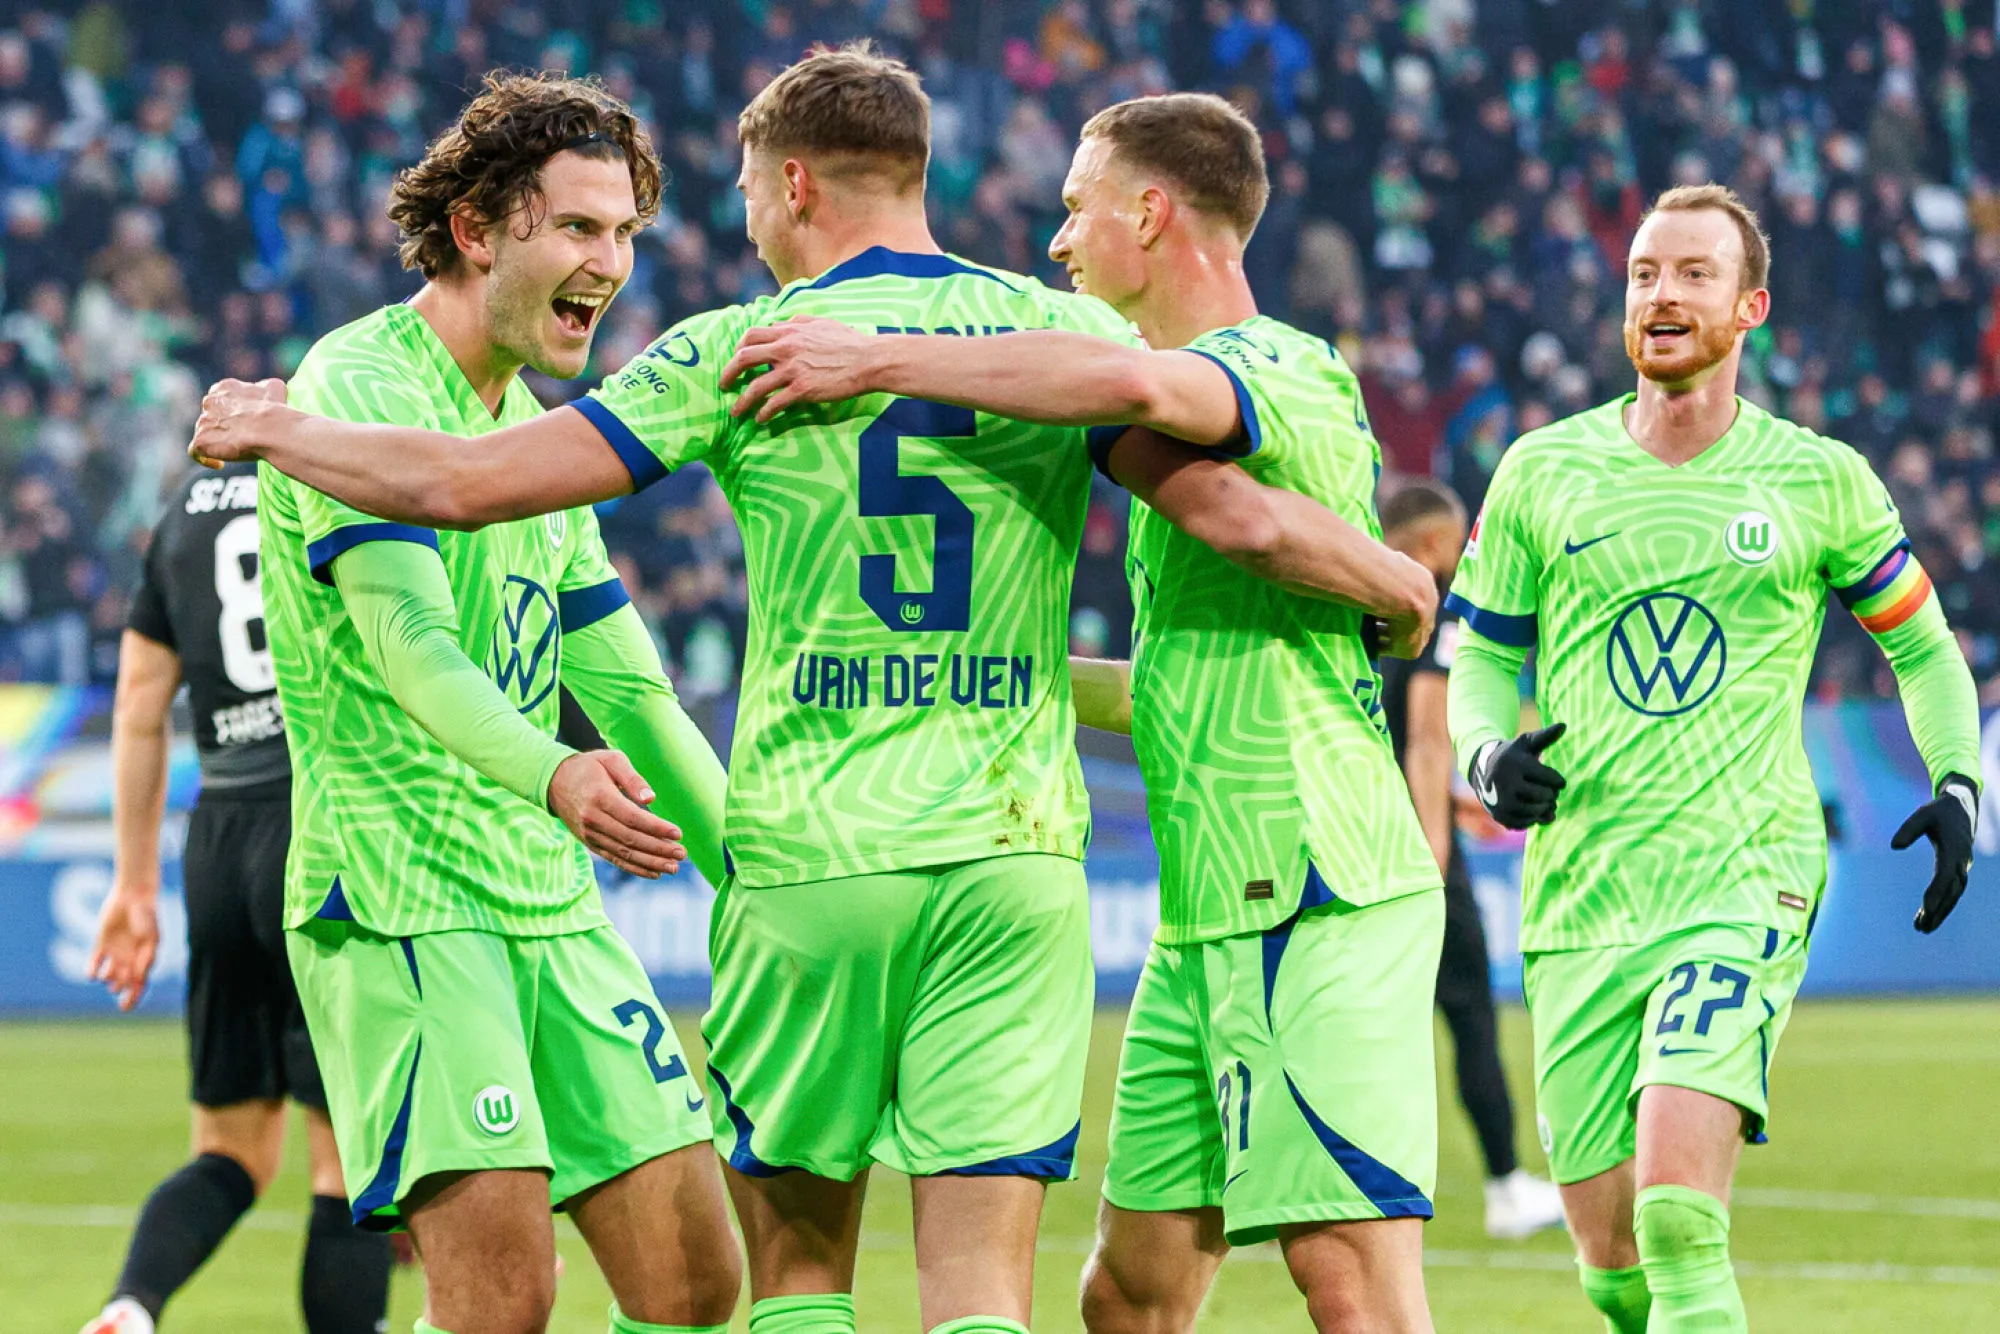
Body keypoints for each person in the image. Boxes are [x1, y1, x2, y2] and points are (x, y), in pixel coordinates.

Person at [188, 48, 1433, 1334]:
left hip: (809, 857)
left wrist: (272, 426)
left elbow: (463, 486)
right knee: (978, 1292)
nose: (727, 227)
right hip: (1008, 860)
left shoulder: (743, 346)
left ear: (790, 185)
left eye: (733, 196)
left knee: (782, 1282)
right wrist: (1391, 578)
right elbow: (1229, 510)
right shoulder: (1063, 340)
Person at [719, 92, 1447, 1334]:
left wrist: (875, 353)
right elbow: (1175, 670)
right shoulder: (1163, 404)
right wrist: (984, 667)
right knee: (1127, 1295)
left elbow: (1230, 501)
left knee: (1349, 1280)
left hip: (1313, 882)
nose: (1055, 242)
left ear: (1149, 213)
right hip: (1204, 915)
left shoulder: (1274, 366)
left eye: (1074, 209)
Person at [1444, 184, 1981, 1333]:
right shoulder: (1540, 470)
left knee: (1679, 1218)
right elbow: (1477, 655)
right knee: (1612, 1266)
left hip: (1741, 878)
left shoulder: (1816, 476)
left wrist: (1955, 782)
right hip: (1581, 894)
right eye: (1643, 273)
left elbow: (1922, 647)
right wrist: (1484, 753)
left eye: (1692, 273)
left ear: (1749, 308)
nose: (1661, 293)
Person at [254, 74, 741, 1334]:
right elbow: (414, 650)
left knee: (694, 1281)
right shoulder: (359, 387)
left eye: (623, 233)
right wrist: (557, 772)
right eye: (578, 227)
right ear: (476, 229)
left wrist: (755, 874)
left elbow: (627, 683)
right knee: (501, 1301)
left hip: (548, 900)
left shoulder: (528, 428)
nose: (611, 263)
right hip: (405, 894)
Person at [80, 462, 393, 1334]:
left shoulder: (182, 510)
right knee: (347, 1164)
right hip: (325, 822)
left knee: (230, 1153)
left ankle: (130, 1307)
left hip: (218, 840)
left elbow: (139, 705)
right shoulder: (336, 472)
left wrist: (134, 886)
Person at [1375, 478, 1566, 1241]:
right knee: (1470, 1016)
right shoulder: (1433, 609)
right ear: (1434, 544)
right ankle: (1506, 1186)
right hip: (1413, 854)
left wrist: (1456, 807)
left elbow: (1383, 738)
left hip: (1357, 836)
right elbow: (1426, 739)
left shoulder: (1362, 606)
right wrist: (1435, 847)